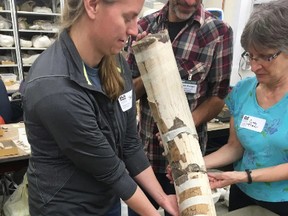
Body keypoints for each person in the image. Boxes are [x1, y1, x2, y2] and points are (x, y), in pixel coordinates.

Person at [22, 0, 179, 215]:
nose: (134, 30)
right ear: (93, 5)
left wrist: (163, 199)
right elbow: (111, 171)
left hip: (106, 201)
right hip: (67, 208)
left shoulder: (115, 63)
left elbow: (130, 144)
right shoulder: (55, 87)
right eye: (127, 17)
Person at [126, 0, 233, 215]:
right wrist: (151, 65)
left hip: (187, 161)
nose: (190, 2)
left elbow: (218, 97)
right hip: (145, 156)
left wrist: (181, 128)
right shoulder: (143, 26)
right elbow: (127, 94)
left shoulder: (218, 32)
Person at [204, 0, 288, 215]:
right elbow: (234, 147)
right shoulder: (243, 91)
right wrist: (196, 165)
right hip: (243, 193)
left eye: (265, 57)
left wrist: (243, 175)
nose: (254, 65)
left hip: (282, 201)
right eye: (250, 55)